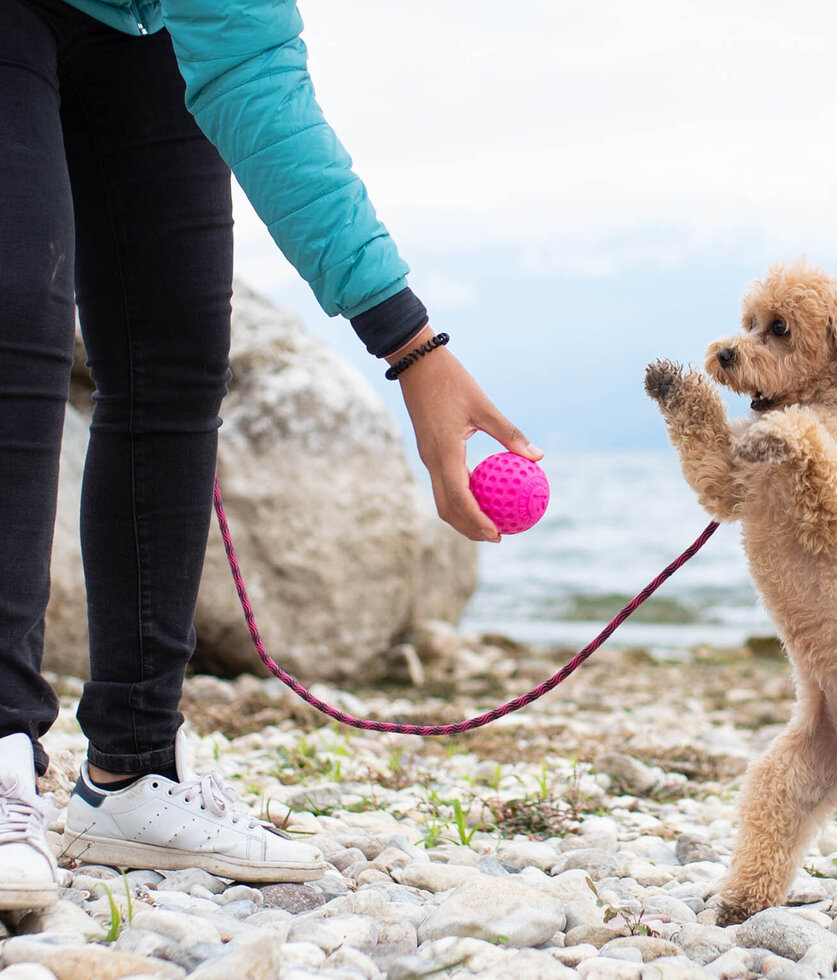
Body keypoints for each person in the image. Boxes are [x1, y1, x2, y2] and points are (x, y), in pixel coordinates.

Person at [0, 0, 543, 911]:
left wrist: (409, 345)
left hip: (139, 26)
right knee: (17, 317)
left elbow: (253, 72)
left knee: (174, 355)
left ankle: (132, 769)